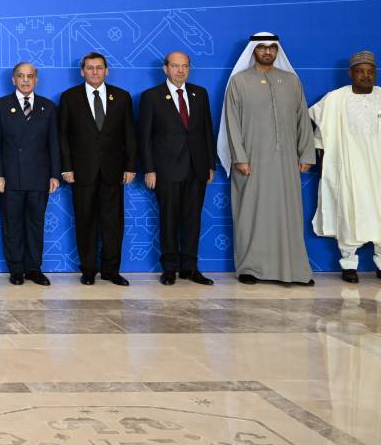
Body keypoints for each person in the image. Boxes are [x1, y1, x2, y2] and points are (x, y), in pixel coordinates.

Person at [309, 50, 381, 285]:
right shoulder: (334, 99)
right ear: (351, 73)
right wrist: (322, 165)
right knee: (349, 211)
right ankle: (349, 265)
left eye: (370, 72)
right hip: (348, 168)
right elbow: (320, 136)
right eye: (360, 71)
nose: (366, 76)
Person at [219, 32, 316, 285]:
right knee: (252, 214)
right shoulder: (239, 81)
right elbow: (232, 123)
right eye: (262, 47)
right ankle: (250, 268)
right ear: (253, 50)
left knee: (288, 215)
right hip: (251, 161)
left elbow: (302, 120)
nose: (267, 51)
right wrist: (239, 158)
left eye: (272, 47)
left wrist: (306, 152)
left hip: (286, 162)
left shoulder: (291, 81)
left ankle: (293, 270)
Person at [138, 51, 216, 286]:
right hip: (166, 169)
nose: (180, 71)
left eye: (185, 66)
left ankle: (190, 268)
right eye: (175, 66)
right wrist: (149, 169)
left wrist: (210, 164)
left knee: (193, 219)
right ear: (165, 69)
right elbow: (144, 137)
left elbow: (207, 130)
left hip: (196, 168)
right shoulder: (151, 96)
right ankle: (170, 268)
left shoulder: (200, 93)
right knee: (169, 219)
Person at [58, 52, 136, 286]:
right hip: (82, 171)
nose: (95, 72)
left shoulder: (121, 97)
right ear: (82, 71)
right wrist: (66, 167)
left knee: (113, 223)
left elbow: (130, 134)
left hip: (114, 171)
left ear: (107, 71)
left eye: (99, 67)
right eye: (90, 68)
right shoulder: (70, 97)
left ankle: (111, 270)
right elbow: (63, 136)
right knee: (85, 222)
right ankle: (89, 269)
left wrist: (130, 166)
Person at [0, 62, 59, 286]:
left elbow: (54, 143)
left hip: (39, 176)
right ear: (13, 79)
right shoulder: (0, 106)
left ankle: (34, 269)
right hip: (10, 176)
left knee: (36, 225)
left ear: (36, 79)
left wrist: (54, 174)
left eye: (30, 76)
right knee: (13, 225)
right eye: (21, 76)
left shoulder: (48, 107)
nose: (26, 80)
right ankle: (16, 269)